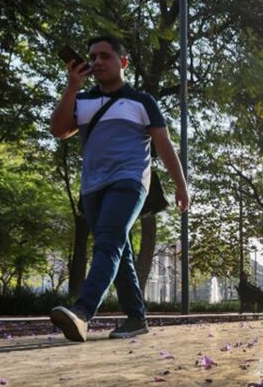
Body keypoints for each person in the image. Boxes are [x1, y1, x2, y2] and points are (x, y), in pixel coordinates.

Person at [48, 36, 189, 342]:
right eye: (92, 57)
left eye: (105, 56)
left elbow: (164, 145)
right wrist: (72, 88)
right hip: (92, 187)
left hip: (130, 181)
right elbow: (59, 130)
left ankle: (83, 313)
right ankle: (136, 318)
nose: (97, 62)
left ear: (123, 62)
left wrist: (181, 185)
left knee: (109, 242)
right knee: (117, 248)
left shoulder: (142, 102)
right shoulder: (82, 101)